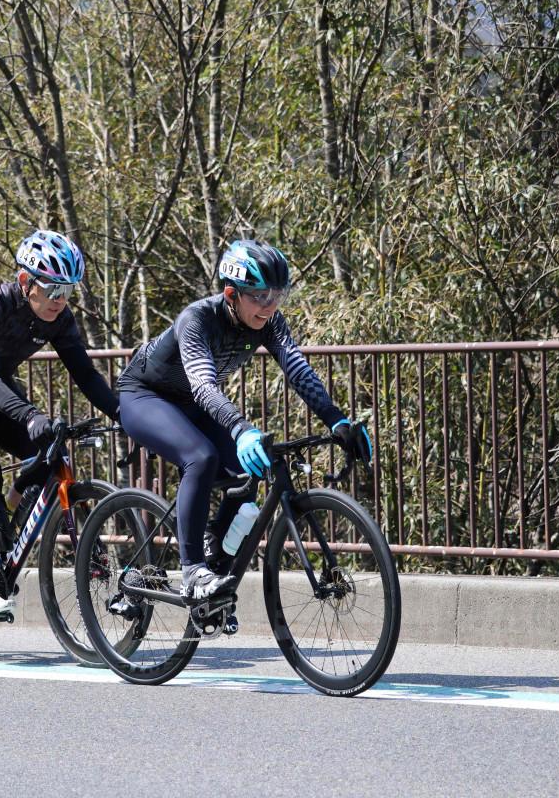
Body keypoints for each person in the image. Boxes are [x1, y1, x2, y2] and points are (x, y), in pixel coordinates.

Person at [115, 240, 372, 604]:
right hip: (145, 397)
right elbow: (204, 385)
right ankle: (192, 573)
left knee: (249, 469)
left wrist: (337, 420)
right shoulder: (197, 319)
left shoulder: (270, 321)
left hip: (192, 403)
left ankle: (214, 558)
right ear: (231, 293)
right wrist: (240, 428)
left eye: (277, 295)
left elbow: (297, 370)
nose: (269, 306)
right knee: (201, 457)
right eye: (260, 296)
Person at [0, 230, 121, 619]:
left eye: (68, 290)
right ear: (24, 281)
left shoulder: (59, 317)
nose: (59, 300)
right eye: (51, 289)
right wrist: (31, 415)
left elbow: (85, 374)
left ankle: (3, 524)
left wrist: (125, 415)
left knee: (50, 455)